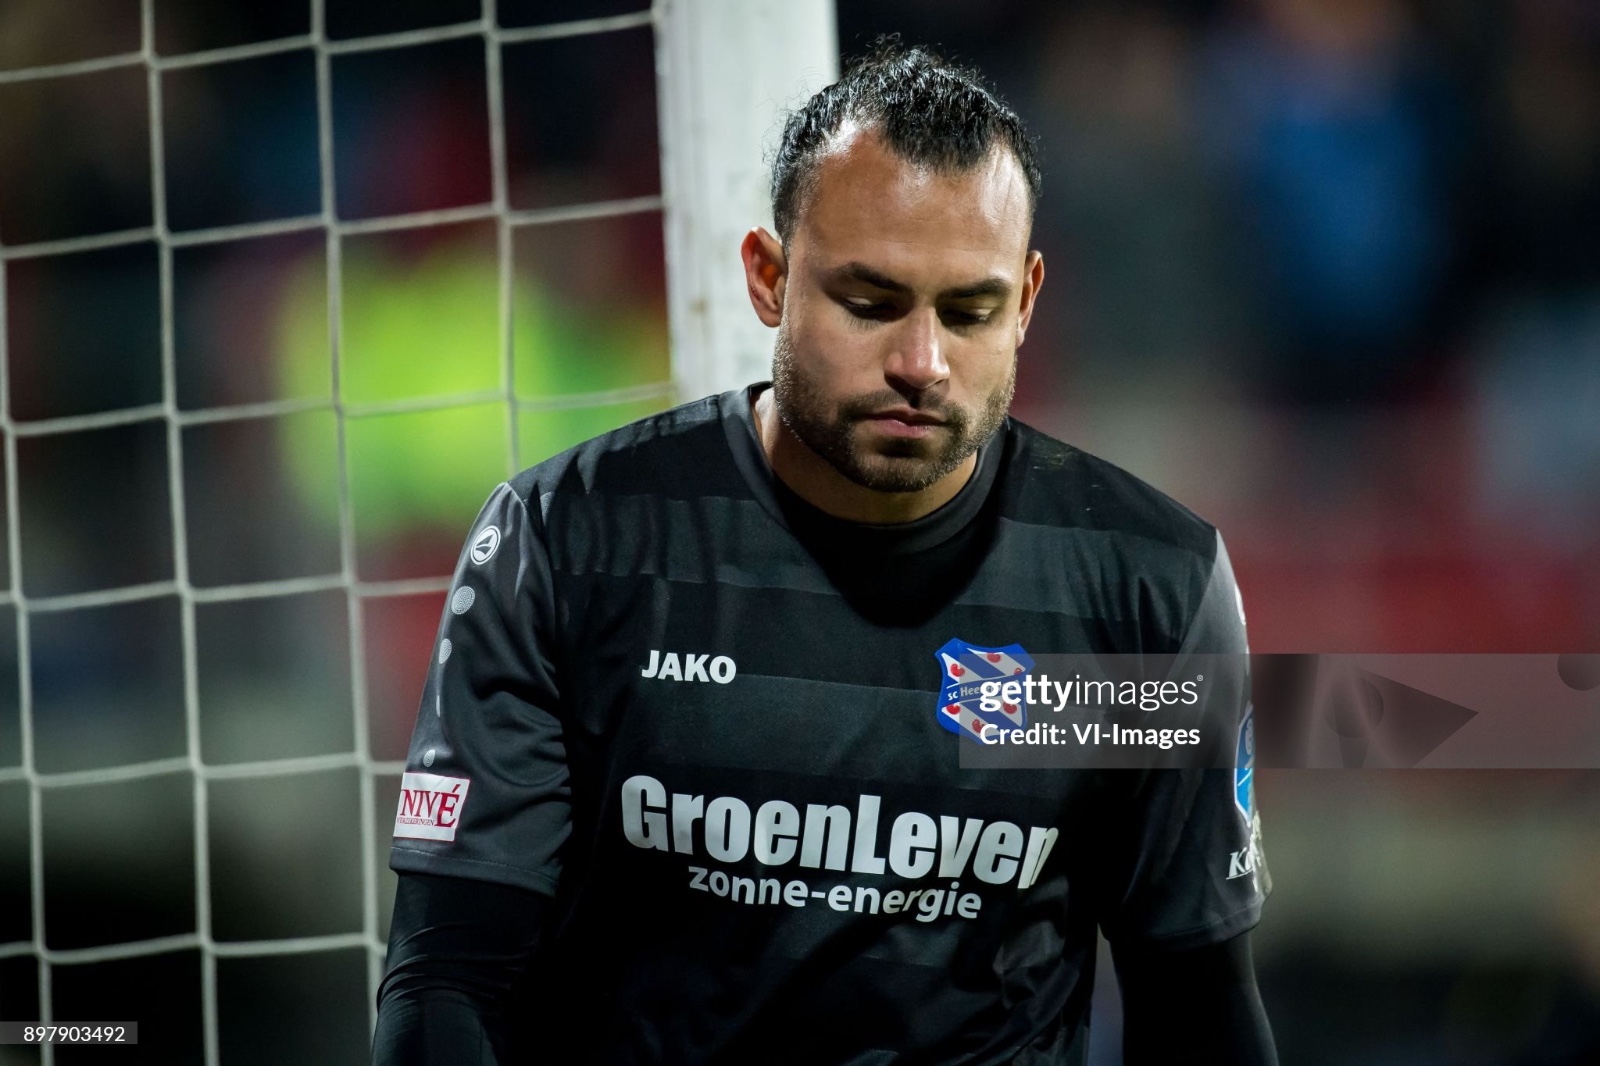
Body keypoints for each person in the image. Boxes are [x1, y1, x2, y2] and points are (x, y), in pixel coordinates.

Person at [372, 42, 1276, 1065]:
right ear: (768, 278)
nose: (921, 364)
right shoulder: (566, 545)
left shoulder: (1146, 592)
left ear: (1025, 302)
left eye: (969, 311)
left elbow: (1196, 999)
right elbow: (447, 978)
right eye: (870, 302)